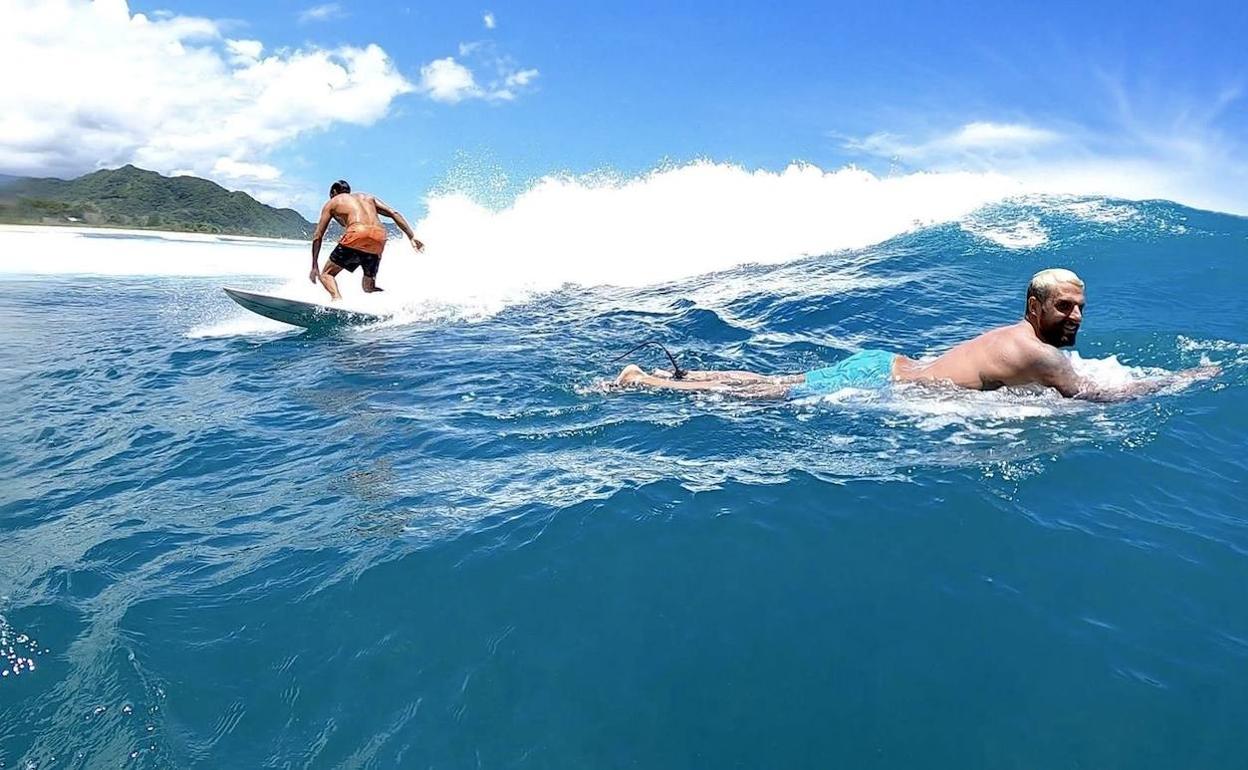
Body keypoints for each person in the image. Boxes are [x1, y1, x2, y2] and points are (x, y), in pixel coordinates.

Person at [614, 268, 1219, 401]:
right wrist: (1185, 377)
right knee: (769, 392)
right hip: (882, 378)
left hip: (886, 364)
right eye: (1064, 307)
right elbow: (1102, 397)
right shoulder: (1041, 355)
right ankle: (648, 383)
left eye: (1081, 308)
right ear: (1034, 306)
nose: (1076, 317)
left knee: (778, 382)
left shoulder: (1016, 338)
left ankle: (665, 377)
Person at [309, 180, 424, 300]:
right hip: (379, 237)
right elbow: (393, 213)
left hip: (357, 233)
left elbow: (318, 235)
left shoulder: (333, 202)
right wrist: (412, 237)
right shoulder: (367, 197)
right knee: (368, 287)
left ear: (333, 192)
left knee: (326, 274)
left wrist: (314, 264)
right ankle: (392, 299)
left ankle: (337, 299)